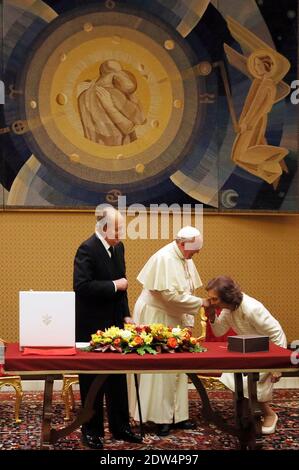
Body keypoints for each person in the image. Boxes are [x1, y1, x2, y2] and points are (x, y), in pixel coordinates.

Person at [130, 226, 209, 436]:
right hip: (156, 316)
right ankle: (157, 418)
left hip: (174, 316)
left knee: (177, 366)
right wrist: (202, 303)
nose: (196, 255)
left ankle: (177, 416)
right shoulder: (164, 258)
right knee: (160, 370)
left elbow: (189, 292)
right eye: (194, 250)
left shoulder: (186, 259)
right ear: (183, 244)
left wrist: (189, 322)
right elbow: (170, 297)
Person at [73, 206, 142, 449]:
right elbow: (82, 287)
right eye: (118, 228)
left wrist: (126, 315)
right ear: (104, 228)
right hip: (91, 325)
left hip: (115, 324)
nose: (122, 233)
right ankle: (91, 431)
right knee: (92, 382)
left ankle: (120, 427)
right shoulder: (87, 249)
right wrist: (114, 285)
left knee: (117, 379)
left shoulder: (119, 247)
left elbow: (124, 284)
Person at [204, 275, 287, 435]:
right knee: (235, 378)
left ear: (226, 297)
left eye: (214, 299)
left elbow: (277, 333)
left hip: (267, 351)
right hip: (249, 348)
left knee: (252, 385)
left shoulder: (252, 308)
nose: (210, 302)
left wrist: (277, 365)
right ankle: (245, 414)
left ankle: (270, 414)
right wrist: (212, 314)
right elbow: (219, 330)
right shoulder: (228, 308)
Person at [78, 59, 145, 145]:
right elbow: (140, 120)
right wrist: (131, 95)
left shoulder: (82, 96)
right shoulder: (115, 94)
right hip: (120, 149)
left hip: (97, 148)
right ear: (116, 75)